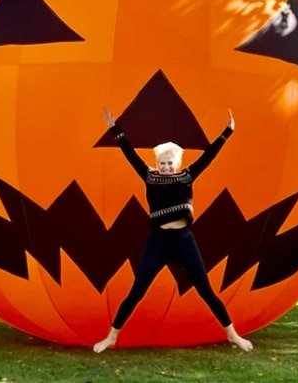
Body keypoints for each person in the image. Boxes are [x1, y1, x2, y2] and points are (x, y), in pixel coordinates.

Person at [93, 106, 253, 353]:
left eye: (170, 163)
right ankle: (112, 336)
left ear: (178, 163)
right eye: (162, 163)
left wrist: (227, 132)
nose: (166, 166)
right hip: (158, 241)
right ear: (157, 164)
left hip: (183, 240)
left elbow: (209, 156)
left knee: (205, 289)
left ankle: (232, 334)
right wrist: (114, 128)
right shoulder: (149, 176)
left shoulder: (187, 176)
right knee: (137, 291)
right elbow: (130, 154)